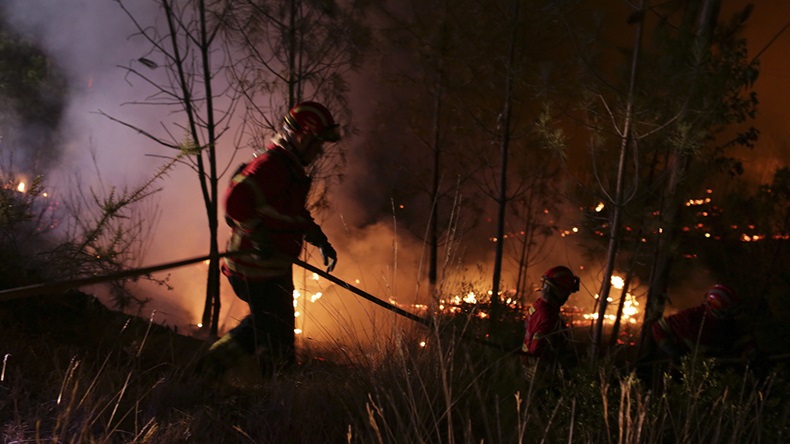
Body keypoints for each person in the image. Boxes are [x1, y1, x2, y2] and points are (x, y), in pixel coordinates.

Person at [203, 101, 341, 376]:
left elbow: (288, 211)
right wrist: (257, 236)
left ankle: (268, 382)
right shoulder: (272, 166)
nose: (319, 151)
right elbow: (235, 200)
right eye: (317, 143)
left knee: (277, 334)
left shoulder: (289, 169)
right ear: (301, 136)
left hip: (274, 267)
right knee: (268, 332)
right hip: (253, 268)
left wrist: (317, 237)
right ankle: (209, 368)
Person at [651, 284, 756, 362]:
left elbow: (742, 340)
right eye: (729, 311)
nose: (733, 315)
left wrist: (750, 351)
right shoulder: (690, 317)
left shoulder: (730, 324)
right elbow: (659, 327)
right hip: (687, 371)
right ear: (717, 310)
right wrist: (672, 351)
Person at [521, 265, 580, 382]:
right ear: (559, 292)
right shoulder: (549, 315)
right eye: (566, 293)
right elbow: (538, 344)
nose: (566, 298)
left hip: (526, 363)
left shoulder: (538, 305)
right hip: (541, 373)